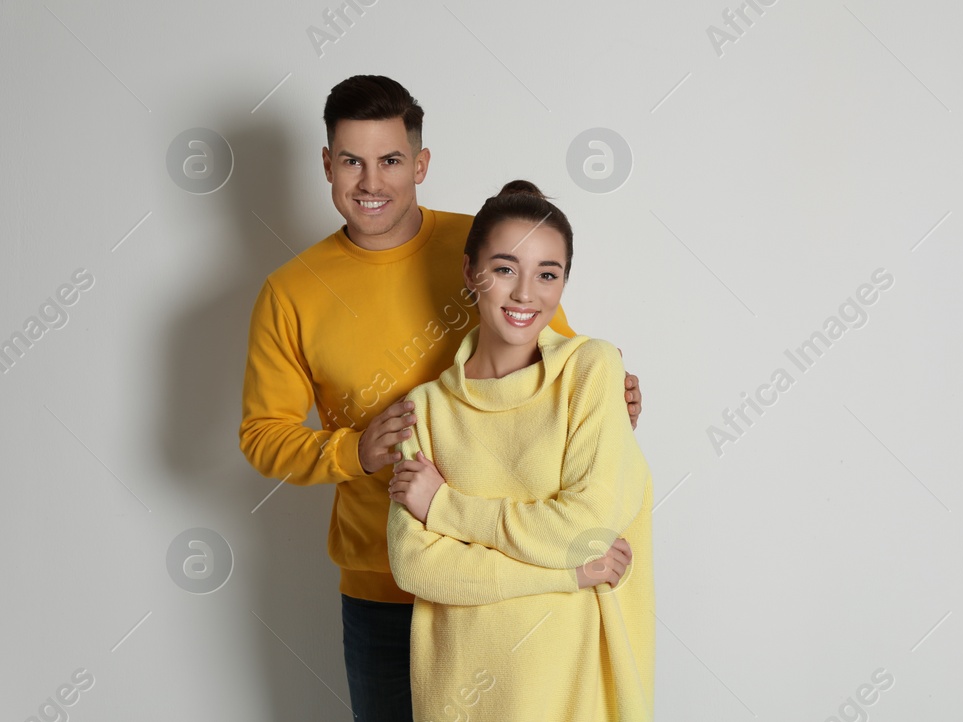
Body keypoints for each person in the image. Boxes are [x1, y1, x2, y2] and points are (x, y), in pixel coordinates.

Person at [237, 75, 642, 721]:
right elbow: (263, 434)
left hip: (515, 573)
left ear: (420, 163)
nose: (371, 182)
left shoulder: (487, 243)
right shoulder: (290, 292)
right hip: (383, 578)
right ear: (326, 165)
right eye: (351, 161)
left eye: (391, 160)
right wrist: (356, 451)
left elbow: (558, 361)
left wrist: (611, 399)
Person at [386, 180, 653, 720]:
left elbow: (588, 529)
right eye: (505, 269)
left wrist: (446, 509)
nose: (526, 293)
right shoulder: (426, 408)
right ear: (470, 274)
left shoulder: (590, 370)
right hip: (458, 690)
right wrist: (567, 574)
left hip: (570, 686)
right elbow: (416, 566)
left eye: (547, 274)